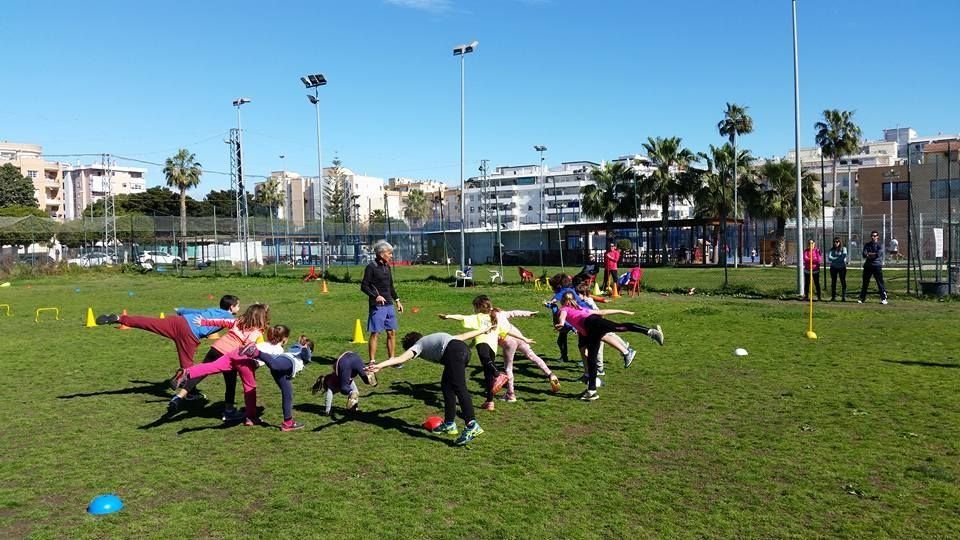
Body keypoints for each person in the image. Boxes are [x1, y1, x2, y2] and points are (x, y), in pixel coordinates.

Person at [367, 326, 499, 446]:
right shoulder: (432, 337)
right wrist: (484, 329)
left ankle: (472, 425)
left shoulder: (418, 345)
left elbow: (400, 359)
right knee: (447, 386)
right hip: (462, 351)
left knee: (459, 387)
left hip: (453, 353)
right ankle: (449, 424)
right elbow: (464, 335)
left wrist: (379, 366)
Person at [95, 295, 240, 391]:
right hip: (189, 334)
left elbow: (198, 311)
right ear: (231, 307)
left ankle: (121, 318)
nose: (238, 308)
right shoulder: (228, 317)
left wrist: (182, 310)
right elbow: (238, 324)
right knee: (188, 367)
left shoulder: (213, 309)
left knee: (148, 323)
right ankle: (188, 390)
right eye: (237, 306)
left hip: (177, 321)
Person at [167, 303, 270, 420]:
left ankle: (178, 397)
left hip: (216, 348)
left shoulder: (237, 322)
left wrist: (204, 322)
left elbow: (221, 322)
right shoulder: (256, 332)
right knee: (230, 384)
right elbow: (248, 346)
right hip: (230, 356)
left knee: (201, 372)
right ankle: (229, 411)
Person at [556, 292, 663, 402]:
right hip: (593, 326)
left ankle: (592, 390)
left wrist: (561, 323)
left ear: (563, 301)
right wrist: (621, 311)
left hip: (591, 325)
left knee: (593, 359)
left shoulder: (563, 309)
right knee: (618, 328)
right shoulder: (581, 309)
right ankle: (591, 391)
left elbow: (563, 316)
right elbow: (602, 312)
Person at [438, 295, 510, 411]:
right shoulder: (494, 316)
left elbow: (461, 317)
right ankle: (490, 401)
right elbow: (505, 332)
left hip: (483, 342)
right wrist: (523, 339)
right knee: (487, 374)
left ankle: (498, 374)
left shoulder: (478, 317)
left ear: (478, 307)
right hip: (493, 347)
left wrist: (448, 316)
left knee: (484, 357)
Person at [361, 240, 404, 365]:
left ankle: (392, 359)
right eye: (389, 253)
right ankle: (372, 361)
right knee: (375, 333)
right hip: (377, 306)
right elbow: (364, 286)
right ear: (381, 254)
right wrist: (376, 296)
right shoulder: (371, 267)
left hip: (389, 304)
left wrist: (397, 301)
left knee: (391, 332)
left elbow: (390, 286)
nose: (391, 256)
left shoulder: (387, 267)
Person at [312, 351, 378, 415]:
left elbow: (328, 398)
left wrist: (327, 411)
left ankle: (352, 399)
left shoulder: (331, 385)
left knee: (344, 388)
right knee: (365, 381)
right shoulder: (345, 377)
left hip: (344, 362)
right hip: (354, 356)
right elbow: (355, 391)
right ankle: (368, 373)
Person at [858, 230, 888, 305]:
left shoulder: (880, 245)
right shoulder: (867, 245)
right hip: (868, 266)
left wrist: (870, 254)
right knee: (865, 283)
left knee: (880, 283)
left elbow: (877, 255)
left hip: (877, 266)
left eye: (874, 236)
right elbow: (864, 254)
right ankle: (862, 298)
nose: (873, 237)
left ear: (877, 237)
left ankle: (883, 298)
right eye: (872, 236)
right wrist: (870, 254)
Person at [827, 237, 848, 301]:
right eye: (834, 242)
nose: (835, 243)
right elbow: (829, 258)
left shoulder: (843, 249)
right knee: (833, 282)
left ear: (840, 242)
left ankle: (843, 297)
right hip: (833, 268)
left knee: (843, 281)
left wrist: (835, 259)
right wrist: (838, 258)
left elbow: (843, 257)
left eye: (837, 242)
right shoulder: (832, 250)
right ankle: (833, 297)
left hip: (842, 268)